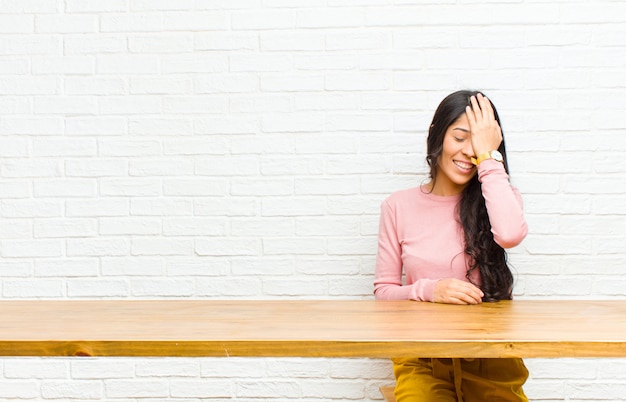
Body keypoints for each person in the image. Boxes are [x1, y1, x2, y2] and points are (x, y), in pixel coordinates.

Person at [374, 90, 529, 402]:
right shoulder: (398, 206)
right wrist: (431, 290)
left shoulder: (498, 195)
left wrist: (489, 159)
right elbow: (384, 292)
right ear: (437, 136)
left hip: (492, 356)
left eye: (480, 143)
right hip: (422, 358)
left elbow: (511, 234)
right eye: (460, 137)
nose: (469, 151)